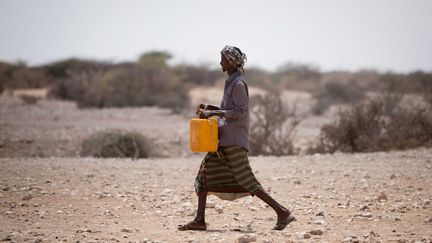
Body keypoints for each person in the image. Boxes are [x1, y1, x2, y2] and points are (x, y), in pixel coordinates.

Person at [178, 45, 295, 231]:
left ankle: (283, 213)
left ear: (231, 62)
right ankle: (199, 220)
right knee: (204, 176)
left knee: (247, 180)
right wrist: (211, 109)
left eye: (223, 59)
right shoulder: (231, 83)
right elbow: (229, 110)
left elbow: (239, 112)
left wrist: (213, 114)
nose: (220, 62)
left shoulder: (239, 84)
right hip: (224, 140)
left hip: (233, 141)